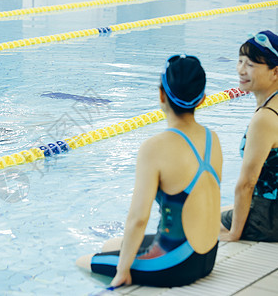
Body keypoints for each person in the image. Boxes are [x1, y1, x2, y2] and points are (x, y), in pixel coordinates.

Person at [76, 55, 223, 288]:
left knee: (83, 262)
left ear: (161, 95)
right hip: (207, 257)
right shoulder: (211, 138)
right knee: (111, 245)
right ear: (202, 99)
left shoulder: (155, 147)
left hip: (176, 264)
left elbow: (138, 218)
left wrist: (122, 271)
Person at [220, 30, 278, 242]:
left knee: (192, 223)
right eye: (240, 61)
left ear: (275, 72)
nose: (241, 70)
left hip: (268, 219)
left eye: (251, 65)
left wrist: (234, 234)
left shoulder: (265, 118)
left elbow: (247, 183)